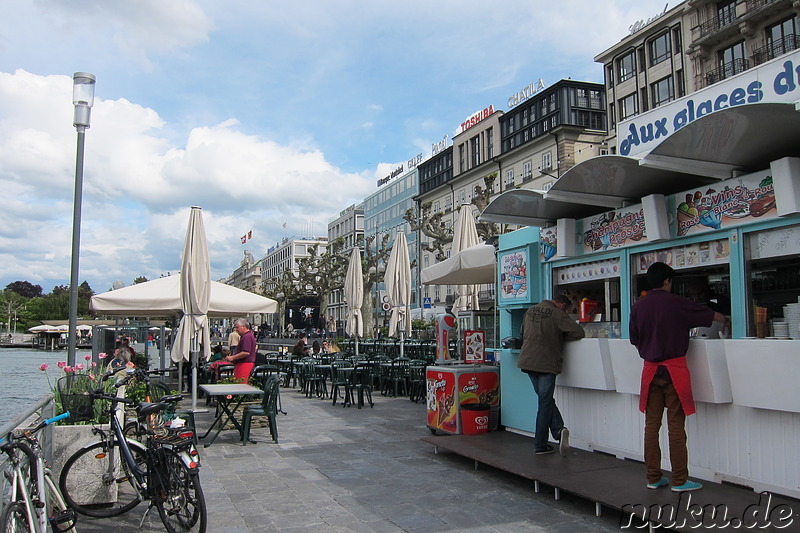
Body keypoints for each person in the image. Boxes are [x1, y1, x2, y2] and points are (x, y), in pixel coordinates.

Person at [630, 262, 729, 493]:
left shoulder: (638, 307)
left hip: (650, 371)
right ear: (667, 281)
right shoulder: (677, 303)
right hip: (674, 371)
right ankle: (680, 480)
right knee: (676, 426)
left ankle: (653, 477)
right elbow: (710, 315)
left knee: (651, 426)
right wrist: (723, 319)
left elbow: (634, 339)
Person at [518, 294, 585, 456]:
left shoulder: (530, 311)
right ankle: (541, 444)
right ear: (563, 305)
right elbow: (578, 332)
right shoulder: (557, 313)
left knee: (545, 399)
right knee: (545, 402)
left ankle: (558, 429)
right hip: (546, 363)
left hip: (527, 361)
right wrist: (560, 336)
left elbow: (522, 333)